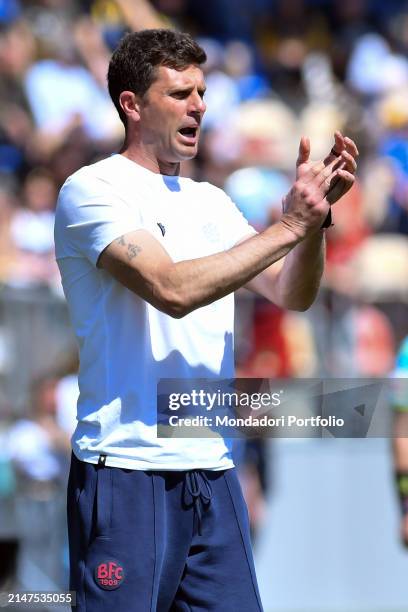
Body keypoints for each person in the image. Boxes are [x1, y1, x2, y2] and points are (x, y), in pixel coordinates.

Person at [54, 28, 358, 612]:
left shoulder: (211, 202)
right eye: (180, 94)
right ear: (132, 105)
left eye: (202, 91)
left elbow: (291, 293)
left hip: (211, 471)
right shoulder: (92, 189)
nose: (200, 105)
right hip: (125, 469)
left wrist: (315, 223)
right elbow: (171, 288)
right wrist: (289, 227)